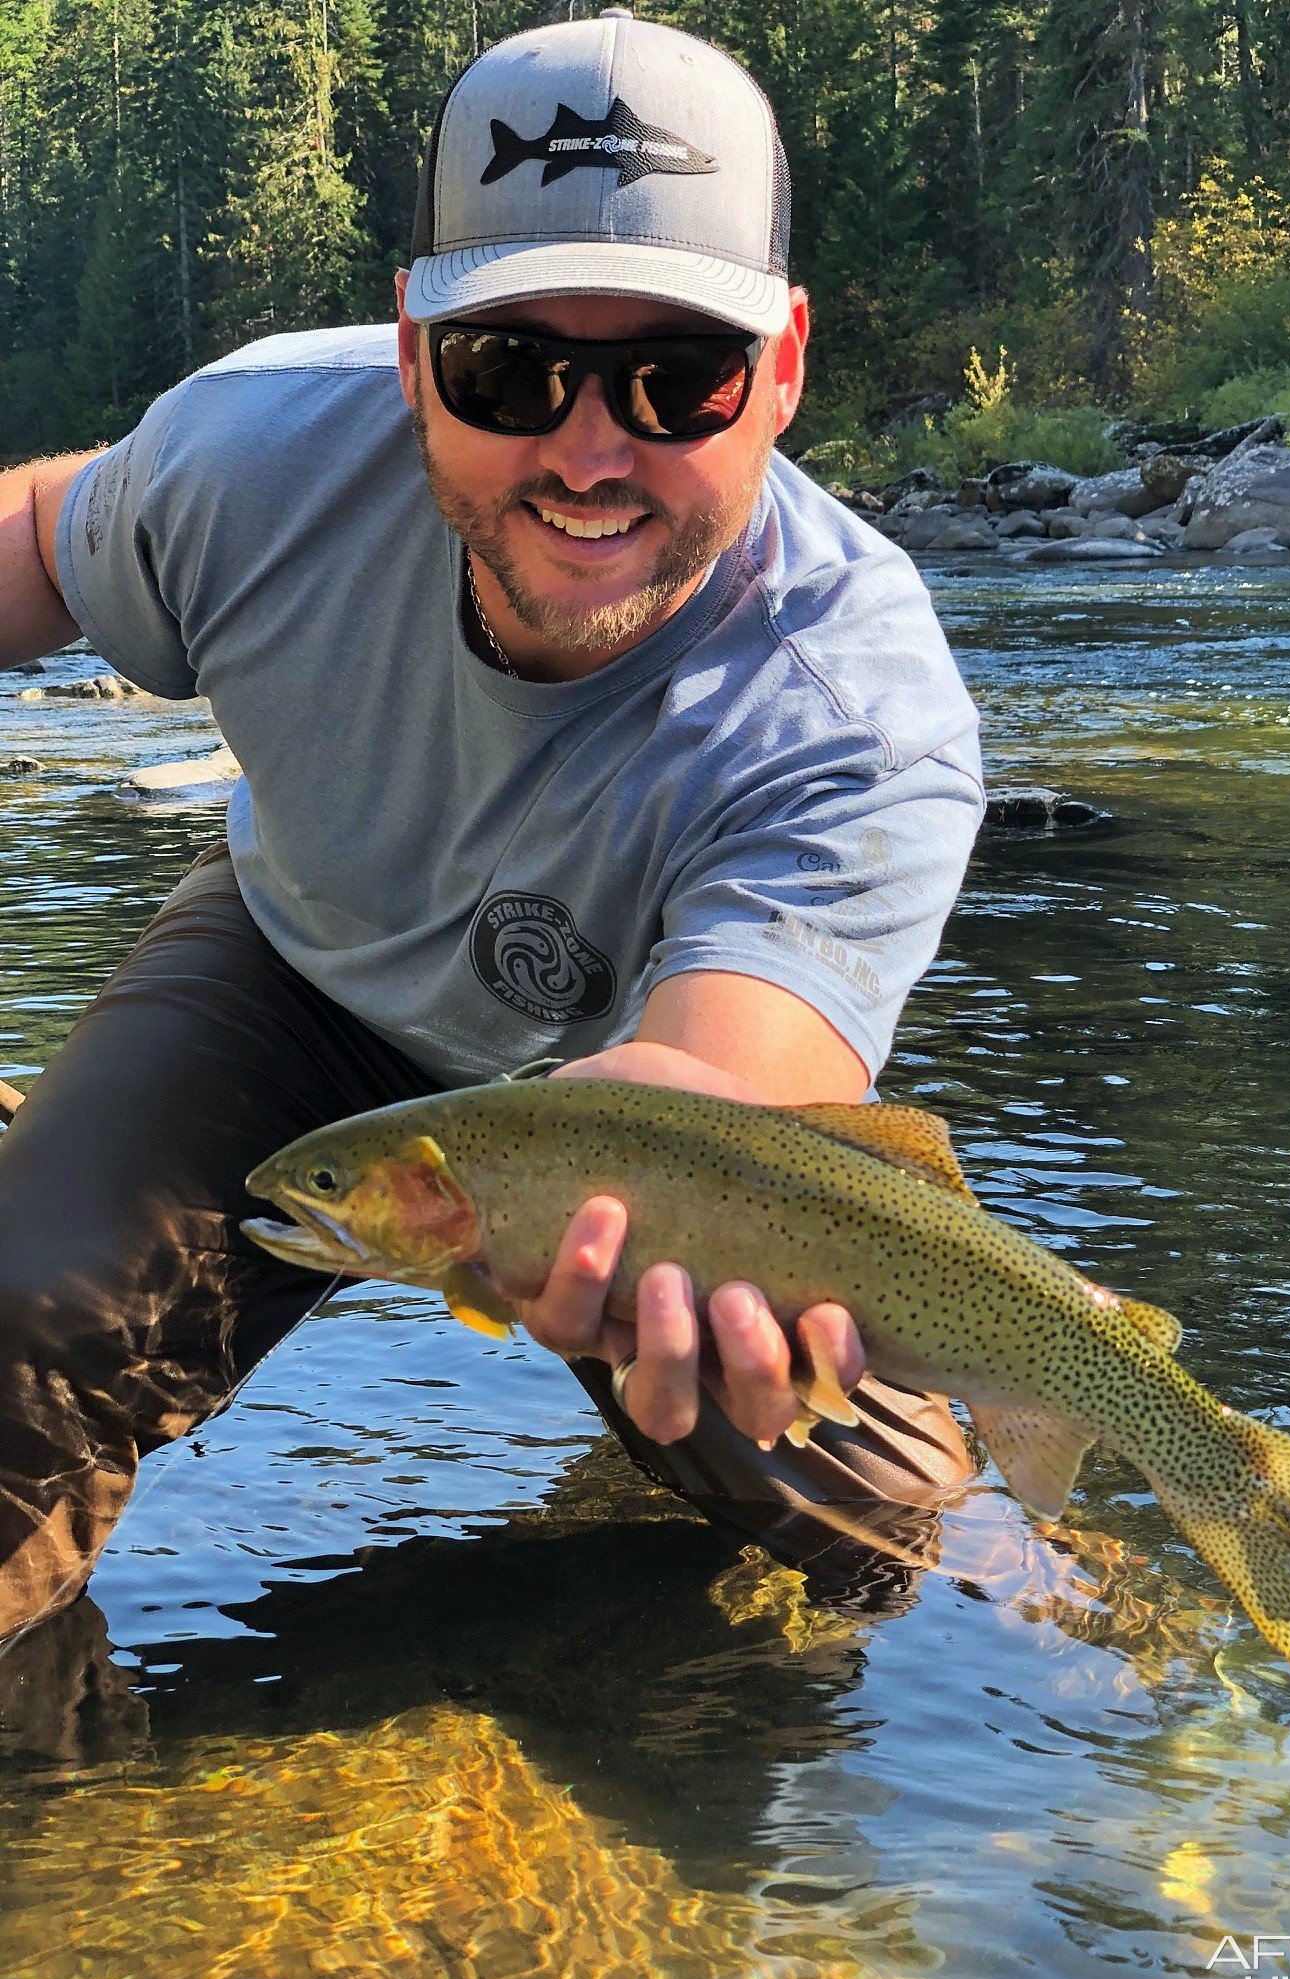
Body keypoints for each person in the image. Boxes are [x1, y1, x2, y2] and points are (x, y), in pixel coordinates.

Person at [0, 9, 983, 1644]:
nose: (589, 450)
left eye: (680, 376)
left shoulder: (859, 715)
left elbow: (732, 1091)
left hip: (622, 1098)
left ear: (787, 370)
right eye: (511, 367)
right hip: (292, 963)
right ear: (410, 355)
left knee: (853, 1504)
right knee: (15, 1341)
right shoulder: (252, 457)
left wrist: (661, 1162)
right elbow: (43, 536)